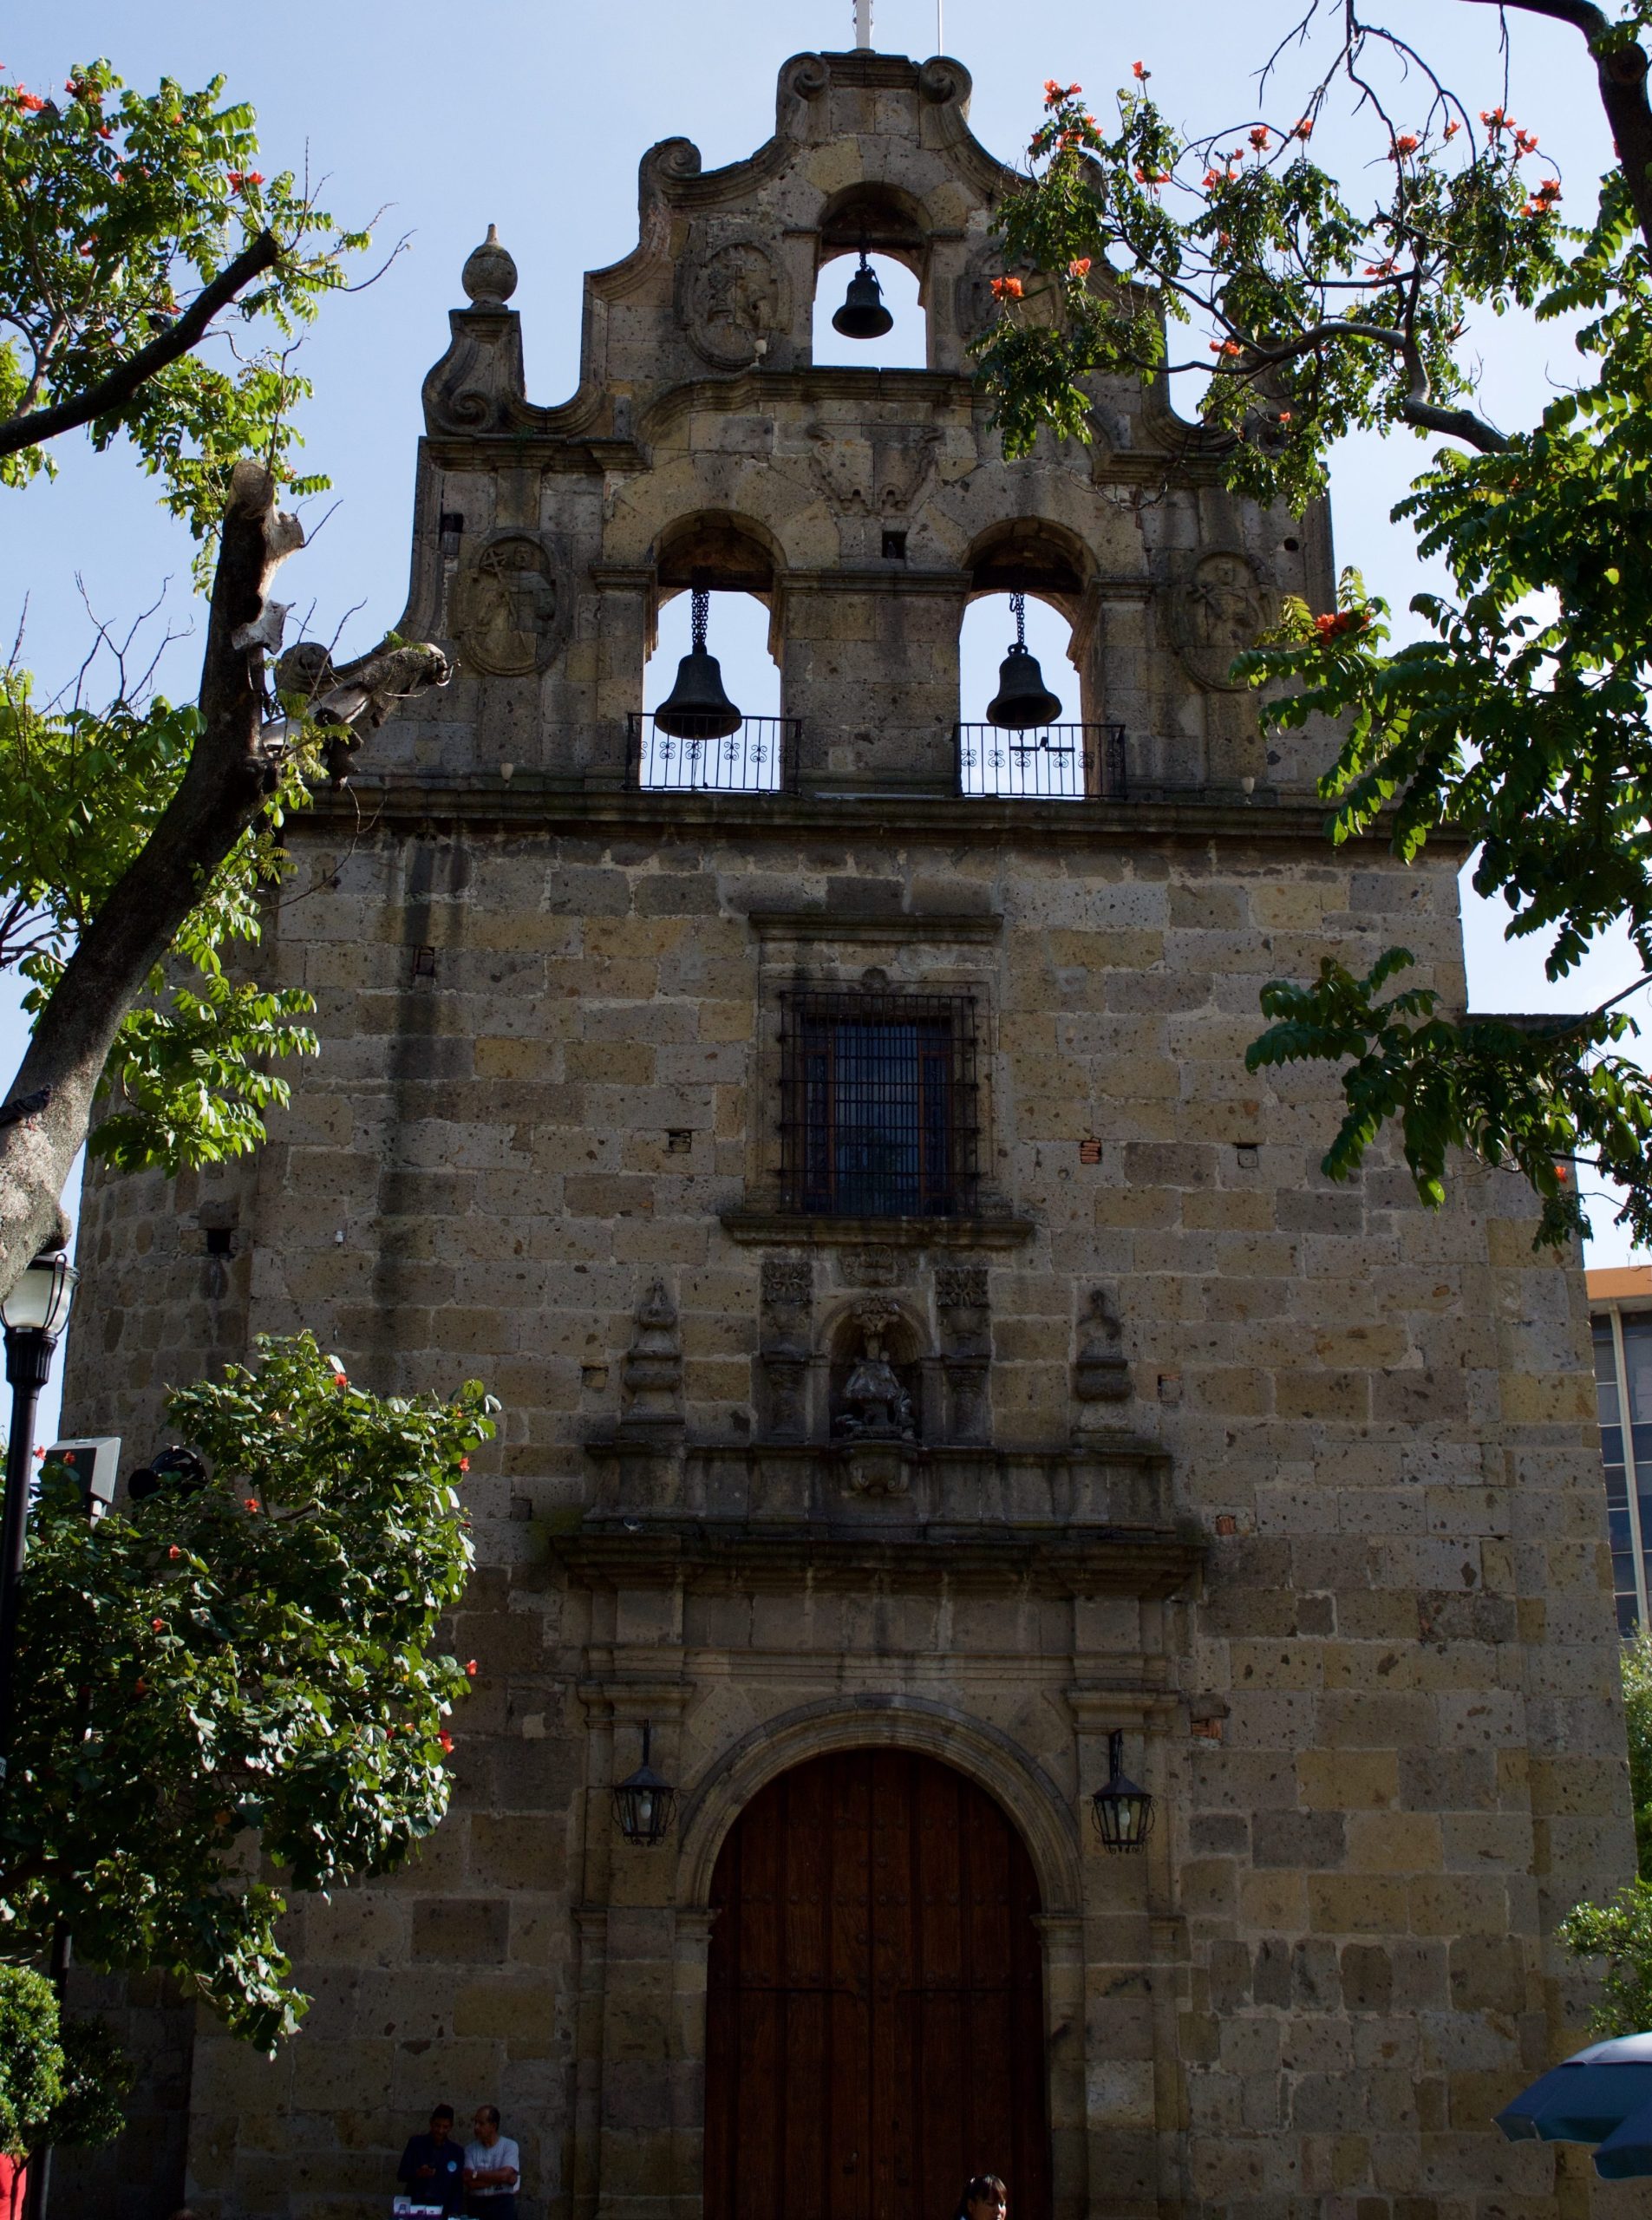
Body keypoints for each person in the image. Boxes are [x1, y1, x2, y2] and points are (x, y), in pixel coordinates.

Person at [397, 2104, 467, 2215]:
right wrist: (418, 2173)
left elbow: (457, 2187)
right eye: (437, 2125)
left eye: (445, 2127)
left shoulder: (456, 2152)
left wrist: (454, 2213)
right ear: (431, 2123)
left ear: (450, 2127)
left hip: (443, 2208)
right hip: (417, 2207)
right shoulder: (416, 2143)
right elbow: (401, 2174)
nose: (440, 2131)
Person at [464, 2106, 522, 2217]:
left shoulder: (510, 2146)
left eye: (481, 2124)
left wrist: (475, 2174)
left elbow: (505, 2175)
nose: (476, 2127)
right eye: (475, 2123)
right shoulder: (470, 2150)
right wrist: (501, 2178)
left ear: (493, 2126)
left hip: (503, 2205)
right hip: (478, 2205)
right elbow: (470, 2182)